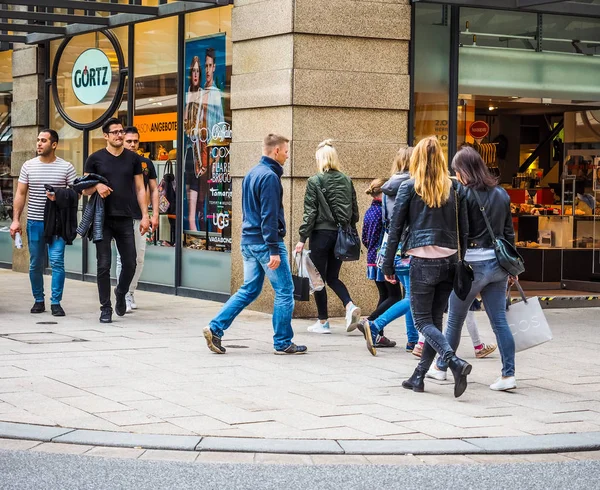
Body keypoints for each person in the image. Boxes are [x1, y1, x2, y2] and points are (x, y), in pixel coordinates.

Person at [372, 136, 472, 398]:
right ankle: (418, 376)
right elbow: (465, 229)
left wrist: (387, 263)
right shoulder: (454, 188)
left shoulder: (409, 186)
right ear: (440, 158)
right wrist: (464, 260)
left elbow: (395, 229)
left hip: (422, 262)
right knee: (435, 321)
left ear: (416, 158)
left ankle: (454, 361)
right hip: (450, 261)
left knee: (422, 321)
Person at [203, 134, 306, 355]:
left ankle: (215, 327)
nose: (288, 156)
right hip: (265, 243)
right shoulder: (269, 177)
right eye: (286, 151)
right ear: (276, 151)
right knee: (285, 291)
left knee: (249, 289)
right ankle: (283, 342)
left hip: (249, 241)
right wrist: (273, 249)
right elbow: (268, 216)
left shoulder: (252, 173)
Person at [427, 146, 517, 391]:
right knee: (499, 321)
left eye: (457, 171)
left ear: (464, 170)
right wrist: (511, 270)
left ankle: (442, 368)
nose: (457, 176)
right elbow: (509, 234)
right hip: (498, 265)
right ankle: (508, 375)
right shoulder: (501, 194)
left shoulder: (462, 194)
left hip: (472, 266)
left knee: (454, 319)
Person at [82, 118, 150, 324]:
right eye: (115, 132)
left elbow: (140, 188)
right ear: (106, 136)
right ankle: (105, 308)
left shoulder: (133, 159)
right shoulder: (95, 159)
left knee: (130, 262)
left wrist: (145, 215)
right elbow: (85, 188)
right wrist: (97, 187)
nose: (119, 135)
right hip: (102, 219)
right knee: (104, 264)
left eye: (121, 131)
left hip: (125, 217)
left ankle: (121, 293)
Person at [295, 140, 361, 334]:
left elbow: (310, 213)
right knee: (332, 277)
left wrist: (301, 239)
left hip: (321, 235)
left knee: (318, 279)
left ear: (320, 159)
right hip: (341, 236)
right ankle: (349, 306)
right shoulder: (347, 180)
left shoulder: (315, 181)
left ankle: (323, 322)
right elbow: (355, 213)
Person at [10, 129, 77, 316]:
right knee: (35, 263)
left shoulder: (66, 167)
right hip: (35, 222)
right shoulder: (28, 166)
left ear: (54, 144)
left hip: (57, 223)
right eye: (38, 140)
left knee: (57, 262)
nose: (39, 143)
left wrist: (59, 195)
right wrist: (16, 220)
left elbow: (75, 194)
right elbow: (21, 194)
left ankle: (56, 302)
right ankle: (38, 300)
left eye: (44, 140)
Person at [115, 126, 160, 313]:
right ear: (122, 140)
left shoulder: (145, 163)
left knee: (139, 258)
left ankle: (130, 292)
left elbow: (154, 189)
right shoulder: (115, 161)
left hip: (140, 216)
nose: (132, 145)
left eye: (135, 141)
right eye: (129, 141)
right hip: (121, 216)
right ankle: (122, 293)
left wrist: (154, 214)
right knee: (123, 258)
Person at [359, 178, 399, 347]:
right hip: (382, 259)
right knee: (396, 296)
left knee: (385, 295)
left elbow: (365, 239)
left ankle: (376, 335)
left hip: (372, 260)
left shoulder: (370, 211)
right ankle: (371, 322)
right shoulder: (382, 212)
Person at [184, 55, 201, 232]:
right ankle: (190, 220)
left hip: (198, 147)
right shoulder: (188, 92)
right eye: (193, 71)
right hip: (189, 148)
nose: (195, 74)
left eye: (198, 71)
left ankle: (192, 221)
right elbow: (184, 121)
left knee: (195, 183)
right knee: (188, 182)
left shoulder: (203, 93)